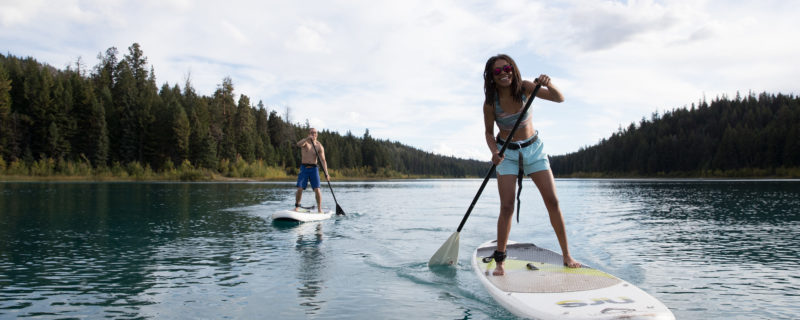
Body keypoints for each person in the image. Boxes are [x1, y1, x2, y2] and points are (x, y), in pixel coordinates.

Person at [482, 54, 581, 275]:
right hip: (507, 154)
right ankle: (500, 261)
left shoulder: (526, 87)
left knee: (553, 201)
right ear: (491, 77)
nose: (503, 73)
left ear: (513, 69)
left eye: (507, 68)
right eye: (497, 71)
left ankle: (567, 255)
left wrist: (549, 84)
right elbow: (488, 133)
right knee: (507, 206)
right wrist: (494, 152)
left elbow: (559, 98)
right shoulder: (490, 103)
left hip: (534, 150)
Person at [294, 128, 330, 213]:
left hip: (314, 169)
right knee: (300, 188)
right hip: (304, 168)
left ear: (317, 134)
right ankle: (297, 206)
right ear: (308, 134)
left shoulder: (319, 146)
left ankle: (319, 209)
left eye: (315, 133)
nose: (313, 134)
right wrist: (307, 139)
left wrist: (326, 173)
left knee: (317, 189)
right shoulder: (305, 142)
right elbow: (298, 144)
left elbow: (323, 160)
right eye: (312, 133)